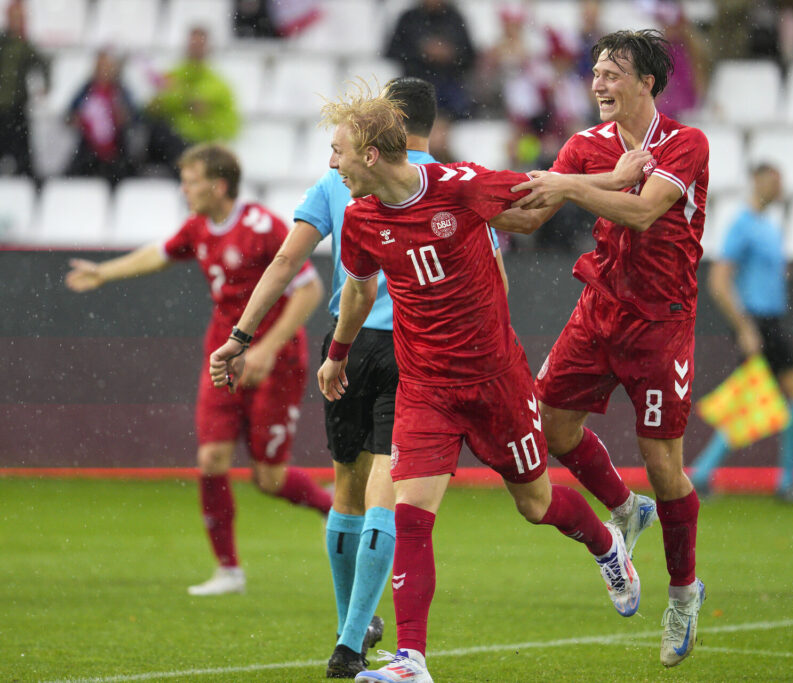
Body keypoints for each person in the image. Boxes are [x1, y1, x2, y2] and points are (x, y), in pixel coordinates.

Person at [211, 86, 643, 683]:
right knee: (409, 514)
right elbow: (359, 290)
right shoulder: (360, 217)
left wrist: (614, 179)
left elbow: (539, 195)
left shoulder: (459, 185)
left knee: (536, 504)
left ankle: (605, 546)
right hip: (425, 386)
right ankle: (412, 660)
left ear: (369, 153)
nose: (332, 167)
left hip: (496, 381)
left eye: (338, 153)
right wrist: (336, 355)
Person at [208, 77, 507, 678]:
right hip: (422, 348)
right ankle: (350, 642)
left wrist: (239, 336)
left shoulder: (339, 178)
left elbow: (288, 260)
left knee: (345, 488)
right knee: (386, 492)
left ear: (383, 121)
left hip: (351, 343)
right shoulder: (455, 185)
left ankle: (352, 624)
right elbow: (494, 277)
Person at [496, 29, 708, 667]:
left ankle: (683, 593)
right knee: (549, 428)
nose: (598, 84)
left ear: (647, 81)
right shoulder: (584, 145)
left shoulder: (685, 142)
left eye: (613, 73)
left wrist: (568, 189)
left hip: (661, 323)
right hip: (599, 311)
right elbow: (531, 215)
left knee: (666, 468)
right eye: (594, 73)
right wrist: (461, 205)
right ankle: (623, 508)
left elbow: (642, 211)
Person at [65, 143, 331, 596]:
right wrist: (104, 273)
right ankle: (228, 570)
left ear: (218, 185)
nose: (185, 190)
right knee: (210, 459)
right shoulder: (198, 228)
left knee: (269, 479)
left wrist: (266, 349)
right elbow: (158, 253)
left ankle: (338, 512)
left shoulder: (263, 227)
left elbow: (309, 291)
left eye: (191, 181)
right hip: (223, 357)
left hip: (275, 362)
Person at [690, 163, 793, 502]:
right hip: (758, 324)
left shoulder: (768, 227)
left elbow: (762, 274)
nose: (780, 188)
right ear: (759, 182)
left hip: (768, 323)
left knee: (754, 398)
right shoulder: (743, 226)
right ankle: (786, 481)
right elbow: (719, 280)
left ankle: (703, 474)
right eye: (775, 181)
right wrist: (744, 326)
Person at [384, 0, 475, 161]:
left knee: (436, 140)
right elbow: (392, 52)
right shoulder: (409, 18)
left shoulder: (454, 18)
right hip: (414, 92)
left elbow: (469, 56)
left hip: (448, 92)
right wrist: (422, 52)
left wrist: (450, 54)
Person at [146, 26, 240, 146]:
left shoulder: (219, 85)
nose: (195, 49)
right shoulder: (172, 75)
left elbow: (229, 127)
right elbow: (153, 109)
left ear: (209, 48)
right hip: (170, 141)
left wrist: (205, 116)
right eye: (193, 45)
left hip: (200, 145)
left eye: (200, 45)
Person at [64, 49, 137, 186]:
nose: (103, 72)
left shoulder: (120, 91)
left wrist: (123, 117)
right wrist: (77, 119)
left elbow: (134, 117)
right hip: (89, 149)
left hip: (117, 150)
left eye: (107, 67)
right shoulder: (86, 89)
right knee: (71, 179)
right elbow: (69, 115)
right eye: (100, 67)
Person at [0, 0, 49, 181]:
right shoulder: (3, 43)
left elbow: (43, 63)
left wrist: (45, 86)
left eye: (20, 18)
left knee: (23, 160)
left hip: (16, 109)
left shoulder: (25, 46)